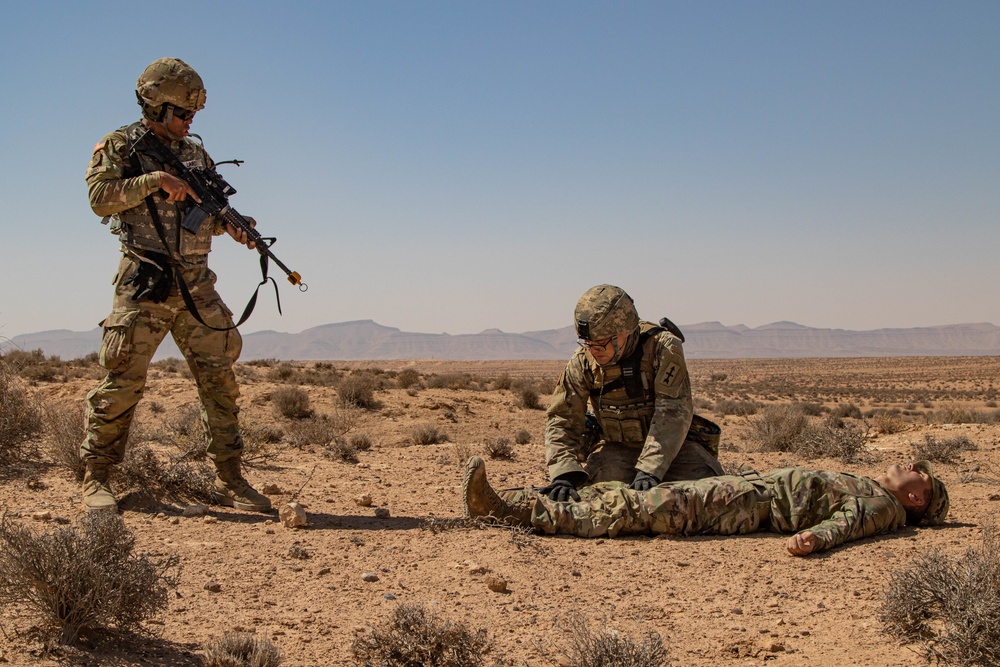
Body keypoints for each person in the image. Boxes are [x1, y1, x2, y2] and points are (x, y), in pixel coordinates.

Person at [80, 57, 270, 513]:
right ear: (158, 106)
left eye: (193, 115)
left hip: (196, 283)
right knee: (123, 380)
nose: (190, 122)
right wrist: (154, 181)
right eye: (183, 113)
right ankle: (96, 477)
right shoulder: (122, 145)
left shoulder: (196, 155)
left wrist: (235, 227)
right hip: (145, 279)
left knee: (220, 379)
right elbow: (99, 199)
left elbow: (207, 212)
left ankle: (230, 478)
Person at [462, 456, 950, 556]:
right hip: (745, 491)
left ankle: (510, 512)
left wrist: (813, 539)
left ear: (917, 497)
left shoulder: (882, 508)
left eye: (919, 473)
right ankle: (521, 502)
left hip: (744, 504)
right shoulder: (877, 491)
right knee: (633, 498)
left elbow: (846, 524)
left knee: (635, 511)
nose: (909, 464)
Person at [540, 284, 723, 504]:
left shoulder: (663, 348)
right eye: (587, 343)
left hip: (673, 451)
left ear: (624, 332)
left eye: (600, 344)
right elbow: (562, 418)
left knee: (712, 493)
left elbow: (673, 412)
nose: (593, 351)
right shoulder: (582, 361)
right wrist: (564, 474)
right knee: (593, 496)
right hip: (619, 451)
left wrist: (650, 470)